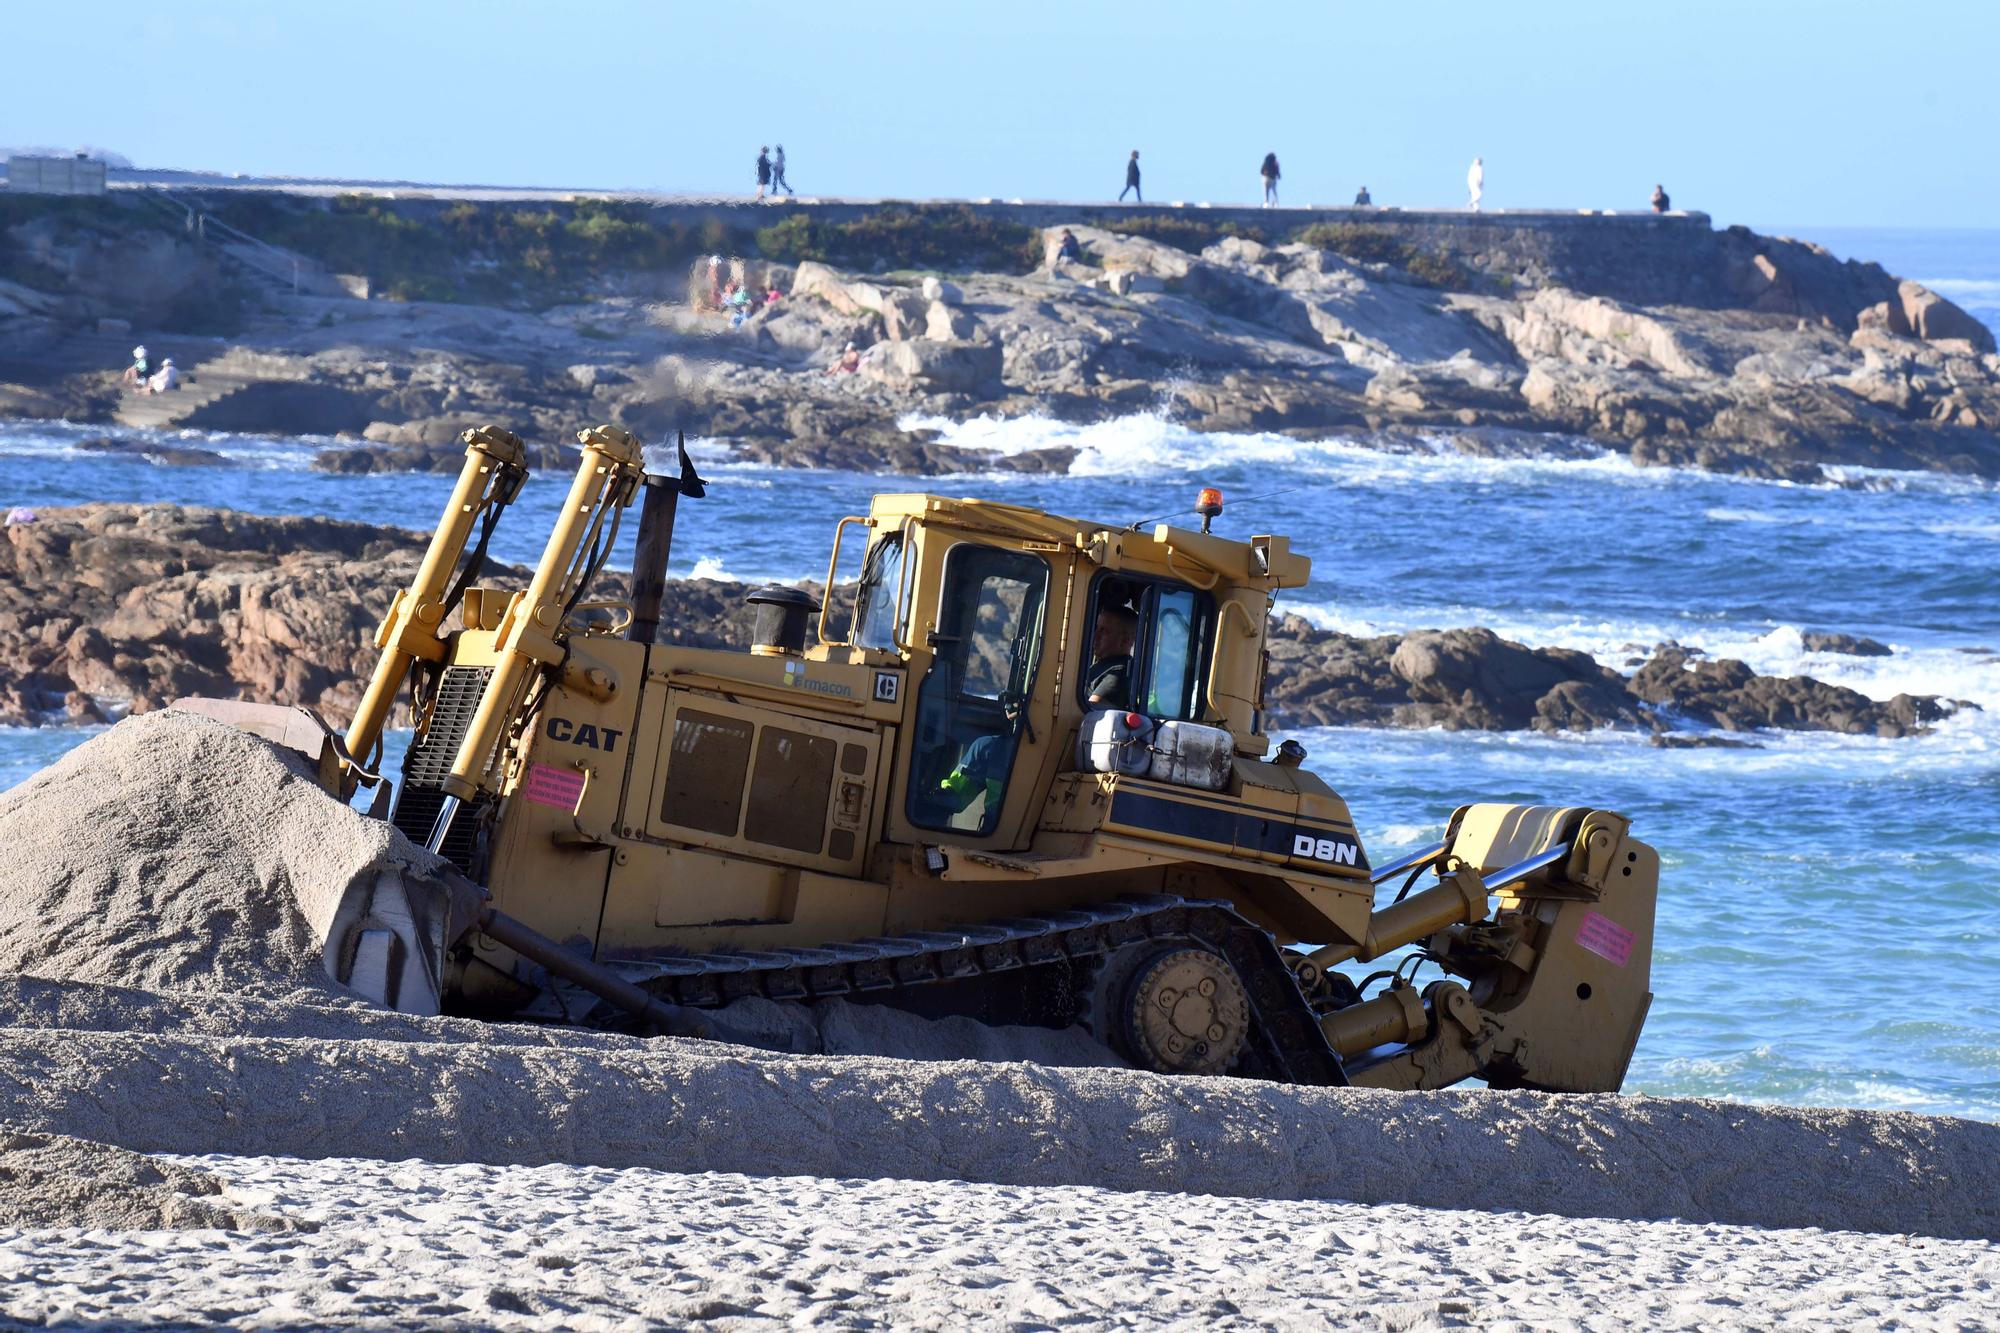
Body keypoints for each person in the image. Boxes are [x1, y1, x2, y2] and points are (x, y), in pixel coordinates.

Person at [1086, 604, 1139, 708]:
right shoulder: (1101, 665)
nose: (1096, 635)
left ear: (1124, 641)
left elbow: (1090, 709)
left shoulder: (1119, 673)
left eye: (1104, 631)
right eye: (1097, 628)